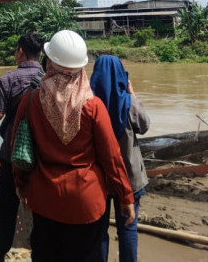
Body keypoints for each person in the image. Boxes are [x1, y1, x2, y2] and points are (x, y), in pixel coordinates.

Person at [12, 30, 135, 262]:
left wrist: (21, 185)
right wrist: (125, 197)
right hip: (86, 203)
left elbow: (18, 149)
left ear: (49, 62)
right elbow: (111, 157)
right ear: (80, 67)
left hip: (44, 198)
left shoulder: (29, 102)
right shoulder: (93, 106)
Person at [0, 33, 45, 262]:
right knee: (41, 207)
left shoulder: (8, 80)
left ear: (20, 51)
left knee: (6, 207)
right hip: (41, 152)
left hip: (12, 152)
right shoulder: (48, 77)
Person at [90, 55, 150, 262]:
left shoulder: (89, 103)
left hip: (99, 179)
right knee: (128, 227)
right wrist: (133, 94)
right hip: (130, 176)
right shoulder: (128, 102)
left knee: (99, 230)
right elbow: (144, 126)